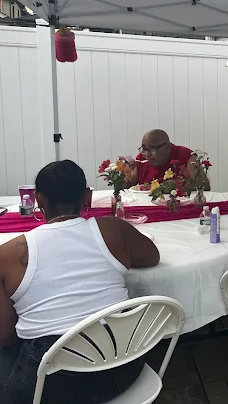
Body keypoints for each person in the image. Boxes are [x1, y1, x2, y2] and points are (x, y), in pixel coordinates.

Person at [0, 160, 160, 404]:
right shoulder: (113, 230)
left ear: (38, 199)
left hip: (52, 386)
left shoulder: (9, 254)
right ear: (87, 196)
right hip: (124, 367)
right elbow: (152, 256)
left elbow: (6, 337)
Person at [128, 129, 210, 190]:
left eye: (152, 149)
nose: (147, 154)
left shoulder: (186, 155)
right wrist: (123, 172)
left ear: (167, 147)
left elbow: (204, 185)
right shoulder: (142, 158)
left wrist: (177, 185)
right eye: (144, 149)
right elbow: (128, 184)